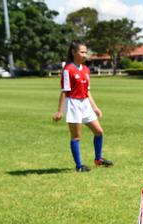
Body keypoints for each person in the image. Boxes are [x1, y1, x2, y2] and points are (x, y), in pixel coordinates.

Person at [52, 40, 113, 172]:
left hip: (85, 103)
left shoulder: (86, 69)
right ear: (74, 52)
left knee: (99, 131)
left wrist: (95, 107)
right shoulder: (68, 70)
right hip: (73, 104)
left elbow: (87, 91)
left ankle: (98, 159)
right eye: (82, 52)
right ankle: (79, 165)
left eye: (86, 52)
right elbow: (64, 91)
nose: (85, 55)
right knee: (76, 137)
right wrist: (59, 111)